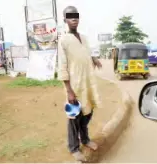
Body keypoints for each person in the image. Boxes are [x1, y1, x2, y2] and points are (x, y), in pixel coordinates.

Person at [58, 6, 102, 162]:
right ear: (65, 20)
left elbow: (86, 53)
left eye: (75, 16)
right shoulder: (63, 40)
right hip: (75, 86)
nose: (74, 19)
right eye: (70, 16)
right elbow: (62, 67)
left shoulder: (84, 38)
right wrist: (69, 91)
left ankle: (85, 139)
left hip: (88, 83)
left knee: (88, 112)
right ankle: (74, 147)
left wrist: (93, 59)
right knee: (74, 117)